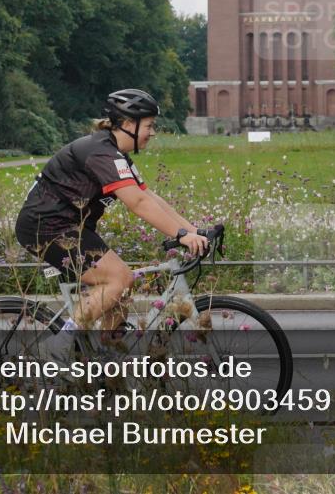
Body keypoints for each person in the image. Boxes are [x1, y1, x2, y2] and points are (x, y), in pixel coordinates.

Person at [14, 88, 208, 360]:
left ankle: (105, 365)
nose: (152, 133)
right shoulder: (100, 153)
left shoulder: (116, 155)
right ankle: (56, 349)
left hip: (71, 226)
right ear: (128, 124)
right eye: (149, 126)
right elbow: (136, 204)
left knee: (121, 293)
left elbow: (148, 196)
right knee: (118, 278)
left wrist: (193, 231)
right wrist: (182, 234)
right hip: (45, 226)